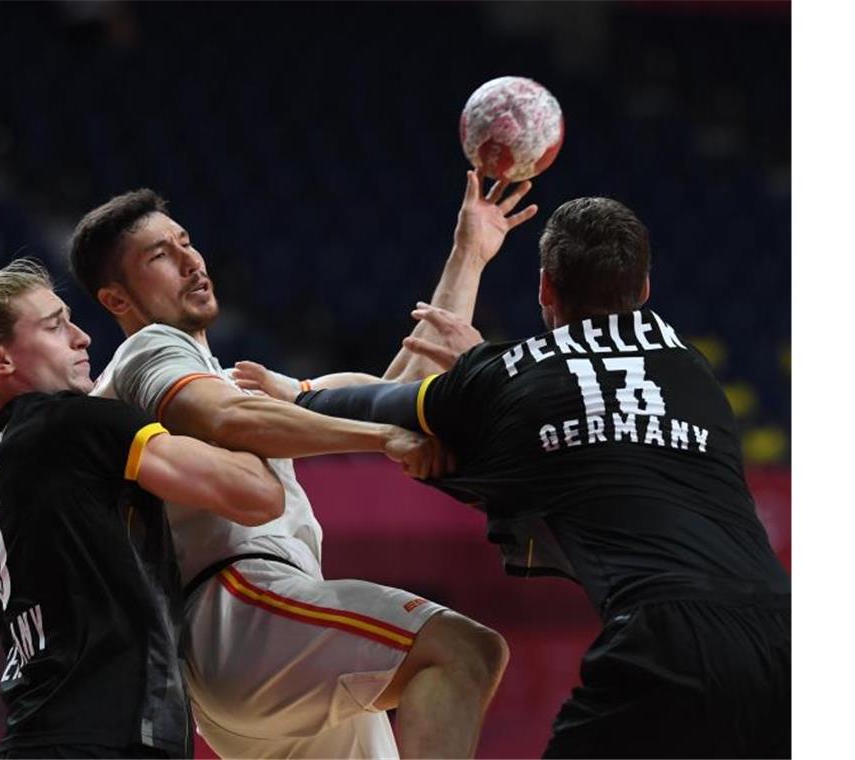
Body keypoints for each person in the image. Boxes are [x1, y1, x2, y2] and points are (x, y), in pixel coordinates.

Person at [242, 196, 792, 758]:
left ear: (545, 289)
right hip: (790, 639)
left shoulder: (514, 378)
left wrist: (298, 392)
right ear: (645, 287)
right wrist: (482, 368)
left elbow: (390, 400)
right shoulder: (694, 371)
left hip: (668, 641)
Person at [68, 177, 533, 758]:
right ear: (116, 300)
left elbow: (401, 387)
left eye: (186, 241)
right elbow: (225, 420)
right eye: (161, 256)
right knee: (465, 650)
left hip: (250, 661)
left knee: (456, 658)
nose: (190, 260)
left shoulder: (232, 375)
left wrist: (469, 252)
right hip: (238, 609)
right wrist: (379, 438)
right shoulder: (149, 351)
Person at [0, 258, 288, 758]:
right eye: (54, 325)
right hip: (100, 736)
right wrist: (233, 411)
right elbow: (257, 496)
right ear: (0, 360)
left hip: (47, 731)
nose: (82, 337)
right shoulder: (71, 423)